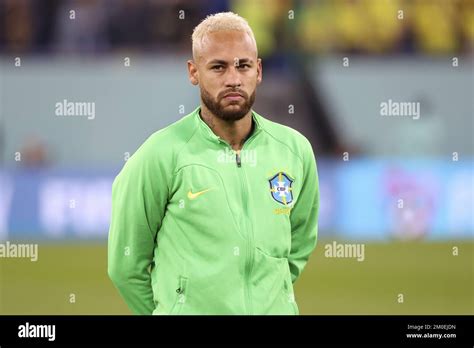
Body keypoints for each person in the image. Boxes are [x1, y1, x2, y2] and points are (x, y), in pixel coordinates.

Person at [108, 12, 319, 315]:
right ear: (194, 72)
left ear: (258, 70)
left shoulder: (295, 151)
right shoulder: (160, 154)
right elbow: (125, 266)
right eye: (218, 67)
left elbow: (297, 248)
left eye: (243, 65)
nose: (233, 79)